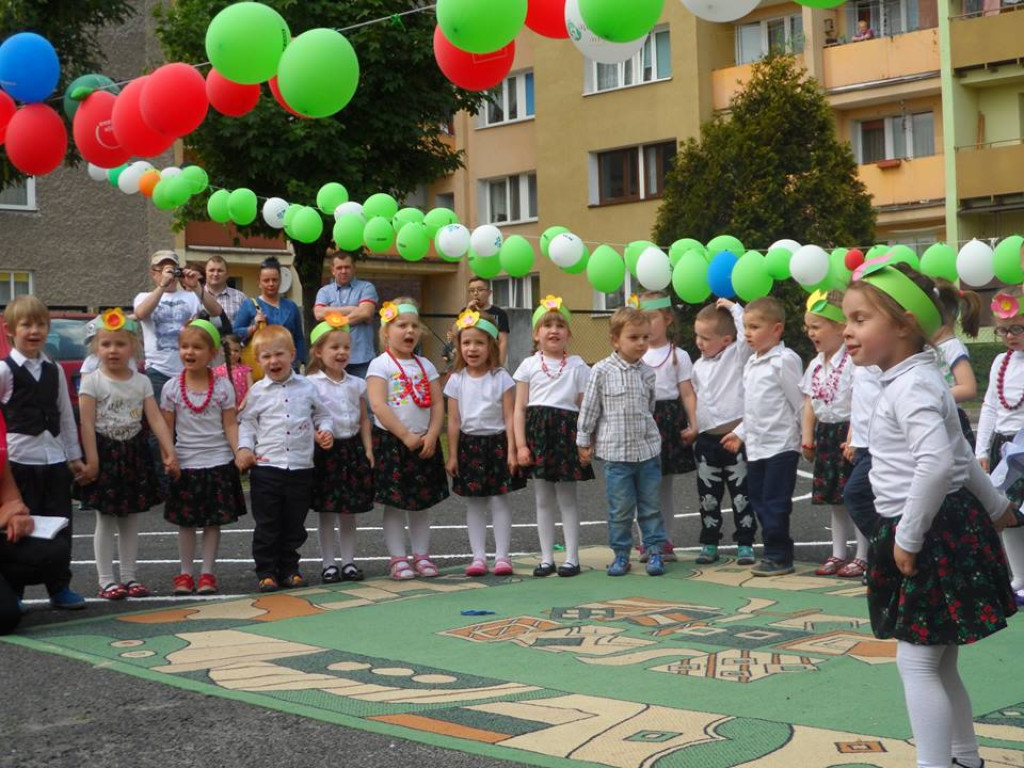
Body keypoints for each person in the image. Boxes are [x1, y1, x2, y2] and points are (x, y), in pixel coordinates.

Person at [842, 261, 1018, 768]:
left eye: (860, 319)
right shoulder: (917, 378)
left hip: (927, 532)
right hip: (935, 526)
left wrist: (908, 537)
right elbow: (959, 454)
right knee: (937, 663)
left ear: (905, 325)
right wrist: (997, 506)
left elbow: (938, 463)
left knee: (917, 663)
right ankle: (964, 757)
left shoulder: (911, 386)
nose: (847, 331)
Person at [77, 310, 179, 600]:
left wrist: (169, 452)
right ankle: (106, 580)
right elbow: (86, 424)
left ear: (133, 348)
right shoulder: (92, 381)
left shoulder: (141, 382)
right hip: (105, 454)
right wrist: (92, 460)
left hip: (133, 453)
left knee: (131, 518)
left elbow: (155, 418)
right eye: (106, 344)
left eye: (120, 344)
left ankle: (130, 576)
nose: (113, 350)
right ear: (96, 348)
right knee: (106, 518)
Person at [0, 296, 85, 609]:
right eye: (27, 325)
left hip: (54, 460)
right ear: (10, 330)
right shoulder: (4, 370)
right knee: (20, 529)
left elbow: (65, 416)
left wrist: (74, 457)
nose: (34, 331)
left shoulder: (55, 370)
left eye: (40, 325)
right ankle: (14, 592)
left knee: (60, 527)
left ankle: (59, 587)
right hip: (20, 463)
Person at [236, 325, 333, 593]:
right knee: (267, 523)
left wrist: (325, 430)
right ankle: (266, 571)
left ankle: (289, 568)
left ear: (292, 354)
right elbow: (247, 424)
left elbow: (322, 415)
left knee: (294, 523)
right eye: (266, 356)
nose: (273, 361)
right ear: (258, 360)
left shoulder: (307, 387)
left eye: (279, 354)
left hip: (301, 467)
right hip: (267, 468)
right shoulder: (257, 392)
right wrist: (244, 449)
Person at [577, 306, 666, 577]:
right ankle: (621, 554)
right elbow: (590, 409)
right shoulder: (601, 371)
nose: (641, 343)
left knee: (651, 507)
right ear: (616, 340)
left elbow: (649, 407)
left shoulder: (647, 372)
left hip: (647, 453)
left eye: (645, 337)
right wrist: (584, 440)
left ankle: (654, 551)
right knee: (621, 509)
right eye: (634, 337)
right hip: (616, 456)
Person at [160, 320, 245, 597]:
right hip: (185, 463)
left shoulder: (223, 387)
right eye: (184, 346)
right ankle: (185, 573)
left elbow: (230, 424)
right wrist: (168, 456)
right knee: (186, 523)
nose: (189, 352)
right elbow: (166, 428)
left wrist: (239, 452)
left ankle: (207, 572)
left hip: (217, 462)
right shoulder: (171, 388)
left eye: (197, 347)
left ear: (212, 353)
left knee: (211, 522)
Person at [367, 299, 448, 580]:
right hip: (393, 444)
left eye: (414, 326)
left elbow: (437, 404)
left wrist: (432, 434)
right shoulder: (380, 365)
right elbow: (378, 405)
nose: (409, 331)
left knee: (421, 504)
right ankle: (398, 559)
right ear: (386, 331)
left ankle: (422, 555)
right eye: (402, 325)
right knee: (395, 504)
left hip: (424, 443)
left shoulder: (426, 365)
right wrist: (404, 435)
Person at [722, 297, 802, 577]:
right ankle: (773, 551)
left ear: (777, 329)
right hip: (756, 448)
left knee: (775, 503)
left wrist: (806, 437)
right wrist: (739, 433)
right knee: (758, 500)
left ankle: (779, 555)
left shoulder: (784, 360)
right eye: (746, 327)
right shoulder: (752, 364)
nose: (748, 333)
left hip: (781, 445)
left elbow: (799, 403)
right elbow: (753, 408)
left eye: (755, 327)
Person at [513, 295, 592, 578]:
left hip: (566, 436)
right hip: (539, 438)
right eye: (547, 325)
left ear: (568, 333)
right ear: (536, 334)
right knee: (543, 499)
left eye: (560, 325)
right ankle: (546, 558)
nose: (554, 330)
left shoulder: (578, 366)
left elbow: (585, 408)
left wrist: (586, 441)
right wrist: (521, 445)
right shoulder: (528, 365)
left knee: (567, 499)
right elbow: (519, 409)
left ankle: (572, 558)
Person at [444, 309, 523, 578]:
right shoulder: (456, 380)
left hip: (497, 444)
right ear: (459, 347)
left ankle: (502, 556)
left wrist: (512, 450)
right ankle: (478, 556)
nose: (472, 348)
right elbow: (453, 421)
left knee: (499, 500)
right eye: (466, 342)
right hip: (469, 446)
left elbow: (510, 417)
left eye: (479, 343)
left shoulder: (501, 378)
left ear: (491, 346)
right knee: (475, 503)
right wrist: (452, 455)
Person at [800, 290, 866, 579]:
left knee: (855, 497)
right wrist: (807, 437)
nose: (810, 333)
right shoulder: (816, 364)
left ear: (840, 327)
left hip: (847, 433)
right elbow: (809, 402)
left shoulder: (852, 362)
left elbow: (859, 401)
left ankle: (863, 555)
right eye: (808, 327)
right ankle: (838, 552)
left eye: (816, 326)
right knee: (834, 499)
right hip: (826, 434)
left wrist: (852, 437)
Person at [307, 312, 374, 584]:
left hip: (351, 450)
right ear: (318, 352)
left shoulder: (356, 384)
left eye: (346, 347)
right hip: (326, 452)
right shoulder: (310, 384)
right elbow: (305, 418)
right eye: (334, 347)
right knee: (327, 511)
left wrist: (368, 449)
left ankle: (348, 562)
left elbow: (364, 419)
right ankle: (328, 564)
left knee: (349, 510)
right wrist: (316, 436)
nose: (342, 352)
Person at [691, 299, 756, 565]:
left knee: (741, 496)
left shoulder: (736, 356)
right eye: (697, 336)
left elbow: (743, 332)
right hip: (707, 442)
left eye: (705, 338)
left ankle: (745, 543)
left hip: (734, 440)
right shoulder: (697, 366)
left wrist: (733, 308)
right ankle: (709, 542)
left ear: (727, 340)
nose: (699, 342)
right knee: (708, 497)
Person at [637, 292, 696, 563]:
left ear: (668, 319)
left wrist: (694, 423)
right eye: (642, 319)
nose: (647, 325)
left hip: (669, 422)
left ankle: (665, 541)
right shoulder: (635, 353)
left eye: (652, 318)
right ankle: (645, 541)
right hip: (641, 419)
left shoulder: (679, 355)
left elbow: (687, 393)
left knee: (664, 487)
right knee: (641, 485)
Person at [976, 290, 1024, 606]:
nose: (1009, 336)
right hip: (1004, 448)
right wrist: (981, 450)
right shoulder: (1000, 362)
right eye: (1003, 330)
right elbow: (990, 406)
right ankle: (1018, 576)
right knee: (1006, 512)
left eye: (1017, 328)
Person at [134, 250, 224, 401]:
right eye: (163, 270)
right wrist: (162, 286)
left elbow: (216, 311)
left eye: (172, 270)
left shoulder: (191, 297)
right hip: (157, 370)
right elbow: (140, 314)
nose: (169, 274)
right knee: (159, 414)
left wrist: (196, 287)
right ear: (153, 273)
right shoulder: (144, 297)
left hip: (188, 368)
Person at [932, 279, 982, 448]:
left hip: (951, 421)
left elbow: (968, 388)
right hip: (935, 417)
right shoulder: (928, 347)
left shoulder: (952, 346)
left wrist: (930, 397)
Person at [314, 250, 379, 378]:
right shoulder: (324, 292)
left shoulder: (366, 288)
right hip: (333, 359)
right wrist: (352, 309)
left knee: (363, 391)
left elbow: (365, 312)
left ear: (354, 268)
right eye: (339, 268)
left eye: (347, 267)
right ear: (333, 270)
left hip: (361, 359)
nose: (343, 271)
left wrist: (334, 318)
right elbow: (319, 314)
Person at [233, 257, 306, 368]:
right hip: (261, 366)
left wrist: (299, 361)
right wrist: (252, 328)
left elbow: (299, 337)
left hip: (289, 366)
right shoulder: (249, 304)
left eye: (274, 280)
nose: (271, 284)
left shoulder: (291, 306)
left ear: (280, 281)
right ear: (259, 282)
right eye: (266, 280)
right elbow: (235, 334)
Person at [462, 277, 510, 366]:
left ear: (489, 292)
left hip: (492, 359)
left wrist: (499, 364)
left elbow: (503, 341)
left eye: (480, 290)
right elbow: (455, 334)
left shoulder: (499, 313)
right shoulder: (465, 312)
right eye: (472, 291)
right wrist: (468, 311)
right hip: (470, 360)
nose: (475, 293)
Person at [204, 255, 247, 324]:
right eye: (211, 270)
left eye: (220, 271)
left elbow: (248, 324)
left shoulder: (240, 297)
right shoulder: (195, 296)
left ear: (227, 274)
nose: (215, 274)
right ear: (205, 273)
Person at [213, 334, 252, 408]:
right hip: (224, 409)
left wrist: (243, 405)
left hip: (244, 408)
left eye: (236, 351)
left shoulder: (246, 370)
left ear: (241, 352)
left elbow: (251, 389)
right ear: (223, 351)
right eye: (229, 350)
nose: (232, 353)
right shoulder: (216, 371)